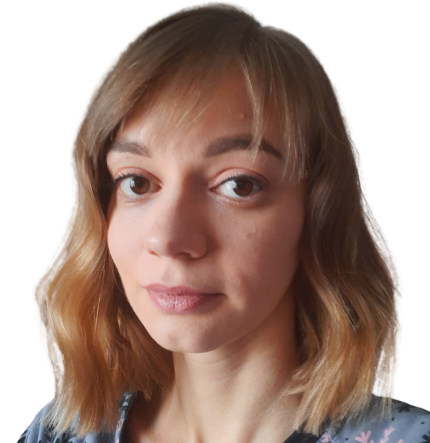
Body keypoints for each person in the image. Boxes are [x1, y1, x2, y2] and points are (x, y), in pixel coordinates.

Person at [18, 2, 429, 443]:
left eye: (239, 185)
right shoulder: (60, 432)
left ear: (318, 213)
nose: (169, 238)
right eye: (137, 182)